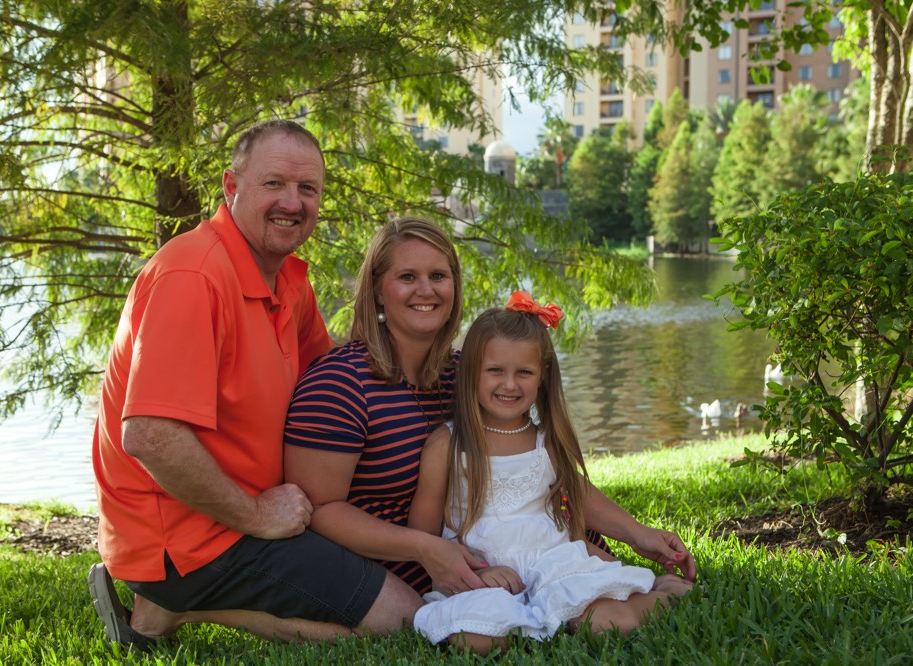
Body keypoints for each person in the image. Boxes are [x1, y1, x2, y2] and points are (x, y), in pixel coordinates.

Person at [87, 119, 422, 650]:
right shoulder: (192, 276)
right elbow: (150, 435)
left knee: (407, 601)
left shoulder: (287, 278)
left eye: (307, 188)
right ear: (231, 186)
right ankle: (172, 608)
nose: (292, 201)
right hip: (190, 537)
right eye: (274, 184)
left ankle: (172, 606)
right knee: (407, 623)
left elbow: (336, 378)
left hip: (260, 512)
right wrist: (257, 516)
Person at [283, 219, 695, 619]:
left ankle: (624, 587)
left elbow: (546, 472)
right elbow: (318, 509)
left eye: (439, 276)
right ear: (376, 289)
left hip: (523, 553)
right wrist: (426, 549)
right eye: (407, 276)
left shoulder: (469, 375)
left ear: (455, 287)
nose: (426, 290)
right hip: (406, 562)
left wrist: (637, 534)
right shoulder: (339, 383)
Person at [408, 295, 694, 653]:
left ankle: (664, 593)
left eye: (523, 372)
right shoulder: (447, 445)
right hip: (485, 576)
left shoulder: (546, 442)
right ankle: (525, 620)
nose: (509, 384)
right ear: (470, 372)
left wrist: (640, 533)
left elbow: (582, 497)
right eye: (495, 370)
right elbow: (423, 534)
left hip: (554, 564)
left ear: (543, 376)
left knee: (606, 625)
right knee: (473, 639)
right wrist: (476, 572)